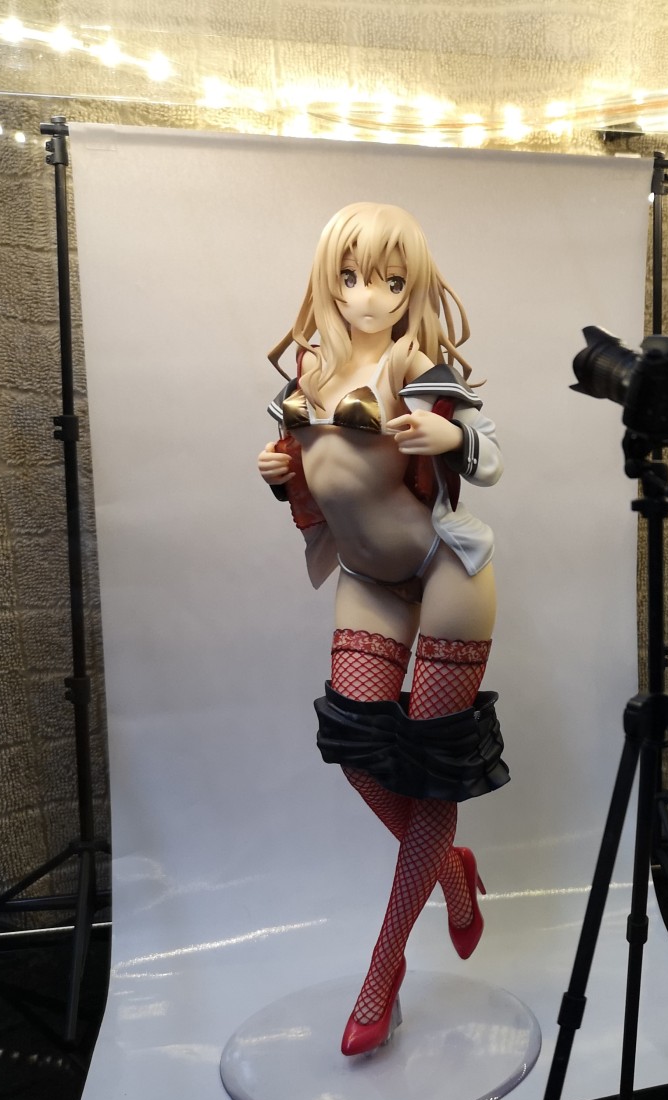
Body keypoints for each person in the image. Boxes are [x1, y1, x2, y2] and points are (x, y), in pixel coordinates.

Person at [256, 202, 508, 1054]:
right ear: (329, 279)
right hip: (367, 579)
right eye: (352, 277)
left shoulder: (412, 362)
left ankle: (381, 972)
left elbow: (490, 454)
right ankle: (451, 871)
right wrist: (277, 470)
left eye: (391, 281)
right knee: (362, 752)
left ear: (413, 288)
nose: (369, 297)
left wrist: (449, 431)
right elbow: (318, 474)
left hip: (444, 570)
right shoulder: (311, 367)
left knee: (431, 773)